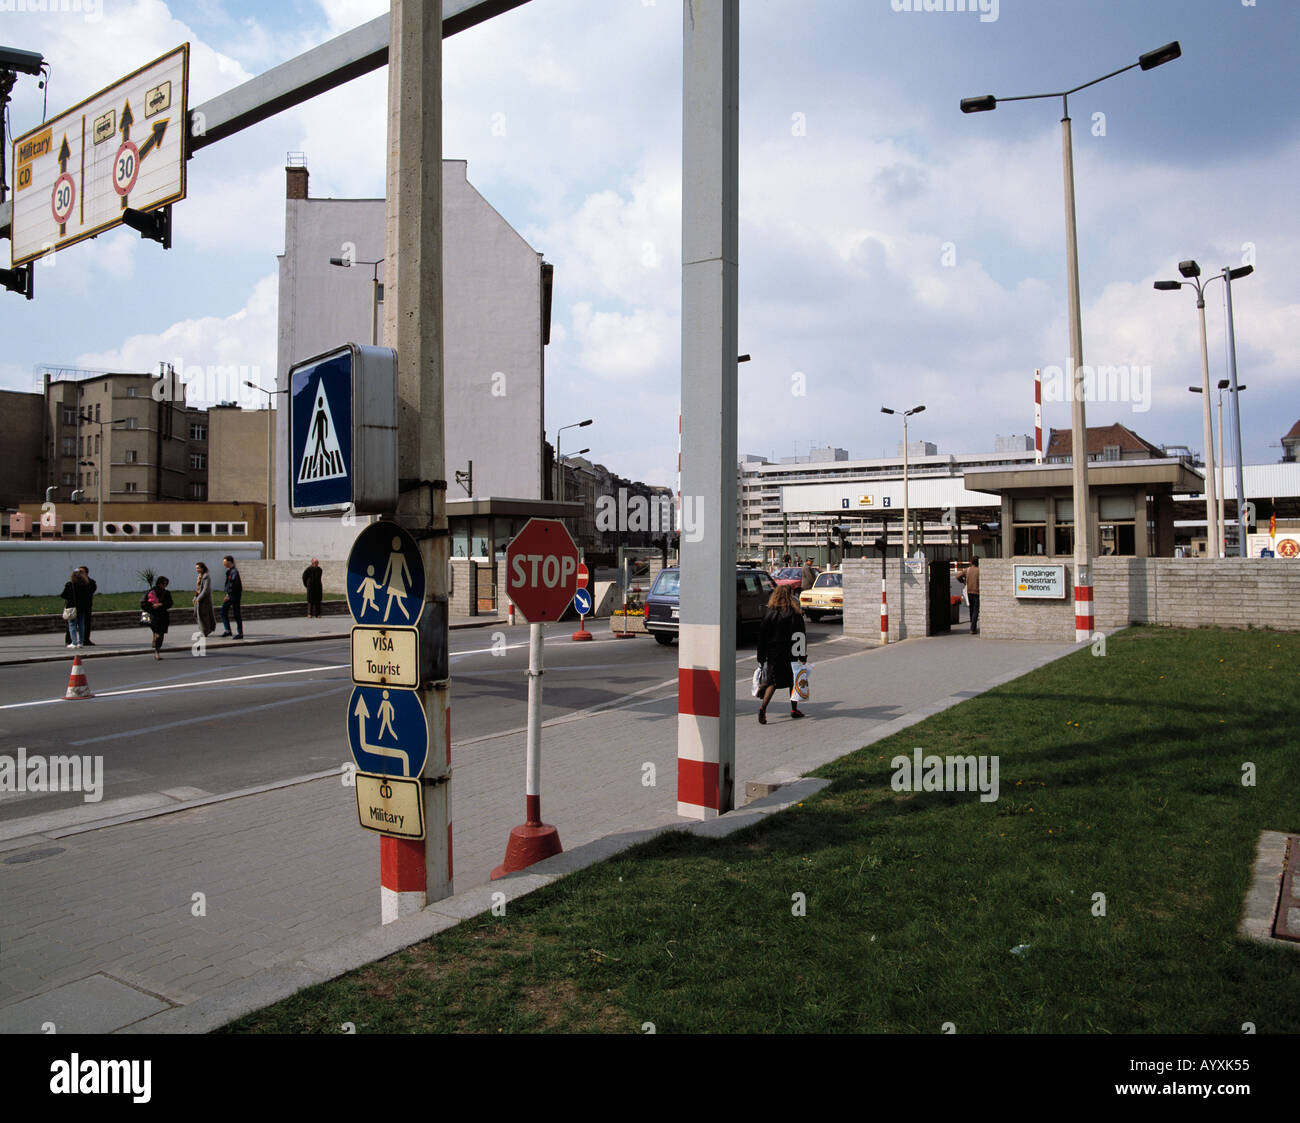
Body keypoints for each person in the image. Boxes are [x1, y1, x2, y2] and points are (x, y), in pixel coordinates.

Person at [755, 584, 807, 724]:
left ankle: (763, 708)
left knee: (772, 681)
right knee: (793, 679)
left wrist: (761, 656)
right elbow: (800, 636)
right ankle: (794, 709)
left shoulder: (769, 613)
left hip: (773, 653)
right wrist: (802, 656)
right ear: (790, 596)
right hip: (789, 652)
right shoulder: (794, 614)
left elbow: (762, 637)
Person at [141, 576, 174, 661]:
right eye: (163, 584)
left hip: (163, 616)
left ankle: (157, 651)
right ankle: (155, 642)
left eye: (166, 584)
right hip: (153, 616)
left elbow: (170, 603)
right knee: (157, 633)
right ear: (159, 583)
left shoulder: (167, 593)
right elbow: (143, 604)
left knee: (161, 634)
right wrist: (152, 606)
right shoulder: (150, 592)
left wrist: (161, 604)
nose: (165, 585)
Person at [60, 569, 93, 649]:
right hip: (82, 607)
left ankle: (74, 642)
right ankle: (81, 642)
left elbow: (63, 595)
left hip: (72, 606)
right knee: (81, 624)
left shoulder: (70, 584)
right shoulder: (86, 584)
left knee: (72, 625)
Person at [220, 555, 244, 639]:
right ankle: (228, 630)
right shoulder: (230, 571)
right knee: (225, 612)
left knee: (234, 613)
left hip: (234, 596)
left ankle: (239, 633)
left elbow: (233, 584)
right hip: (232, 595)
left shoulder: (234, 572)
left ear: (229, 562)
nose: (223, 564)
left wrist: (228, 594)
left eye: (224, 562)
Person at [958, 557, 981, 635]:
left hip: (969, 591)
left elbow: (957, 576)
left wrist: (963, 581)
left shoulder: (967, 570)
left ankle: (972, 626)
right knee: (976, 610)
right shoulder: (979, 570)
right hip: (977, 592)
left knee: (971, 609)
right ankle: (972, 627)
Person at [194, 561, 216, 637]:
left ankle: (205, 631)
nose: (196, 569)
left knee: (204, 615)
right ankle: (204, 629)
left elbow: (206, 589)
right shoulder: (200, 576)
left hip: (204, 600)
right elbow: (198, 588)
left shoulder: (206, 576)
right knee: (196, 614)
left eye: (198, 568)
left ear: (202, 568)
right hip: (198, 598)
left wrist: (199, 598)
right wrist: (195, 597)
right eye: (196, 568)